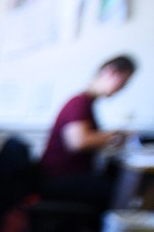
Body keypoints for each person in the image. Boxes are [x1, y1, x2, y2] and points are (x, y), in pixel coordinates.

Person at [38, 54, 137, 210]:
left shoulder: (87, 103)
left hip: (65, 177)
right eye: (123, 82)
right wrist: (118, 136)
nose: (122, 88)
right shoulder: (79, 103)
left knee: (115, 179)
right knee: (121, 192)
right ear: (110, 72)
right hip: (59, 180)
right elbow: (78, 142)